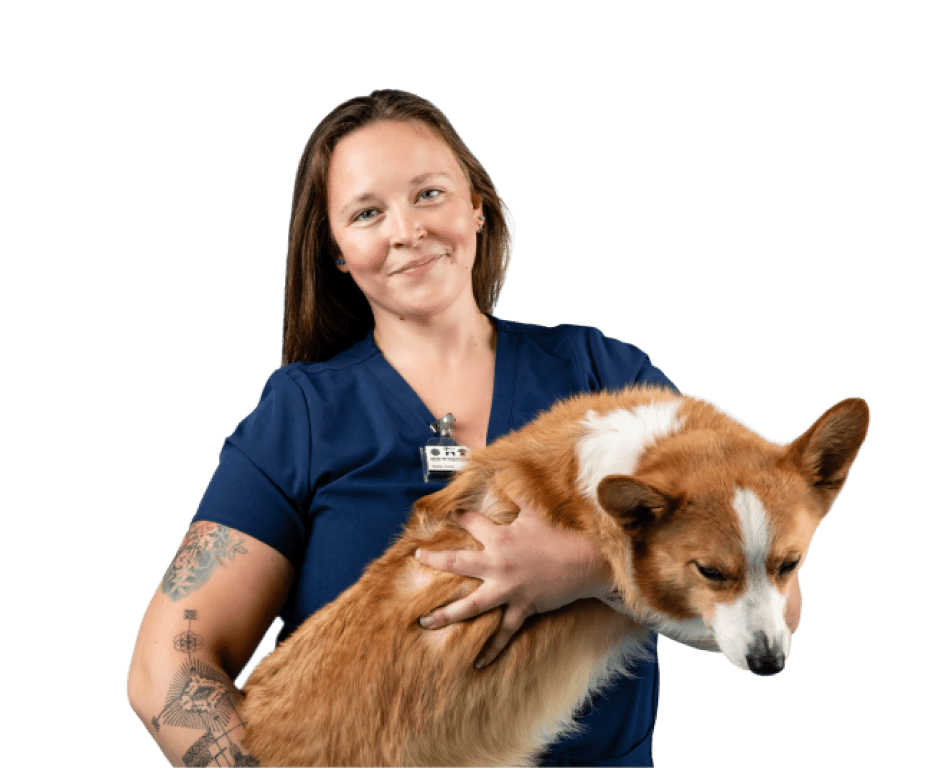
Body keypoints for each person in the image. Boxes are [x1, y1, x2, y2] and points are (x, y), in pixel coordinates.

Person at [127, 89, 802, 768]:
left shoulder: (602, 372)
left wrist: (580, 571)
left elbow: (773, 604)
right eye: (367, 212)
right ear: (336, 251)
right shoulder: (301, 414)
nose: (406, 230)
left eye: (428, 194)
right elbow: (164, 672)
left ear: (476, 206)